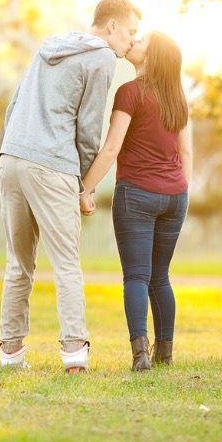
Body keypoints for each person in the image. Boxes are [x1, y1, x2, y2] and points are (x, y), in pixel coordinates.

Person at [0, 0, 141, 373]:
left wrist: (12, 149)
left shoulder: (50, 46)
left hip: (11, 157)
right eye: (130, 32)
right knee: (66, 264)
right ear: (111, 27)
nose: (130, 43)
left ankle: (10, 354)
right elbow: (90, 128)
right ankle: (75, 354)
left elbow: (14, 104)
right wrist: (85, 185)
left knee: (19, 263)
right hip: (51, 165)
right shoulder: (102, 58)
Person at [79, 31, 192, 371]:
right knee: (161, 276)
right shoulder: (178, 99)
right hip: (175, 197)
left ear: (152, 56)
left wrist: (85, 188)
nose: (134, 42)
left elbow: (111, 148)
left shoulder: (130, 93)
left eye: (141, 41)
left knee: (137, 277)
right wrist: (181, 190)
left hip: (137, 195)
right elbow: (186, 151)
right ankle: (165, 354)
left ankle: (141, 354)